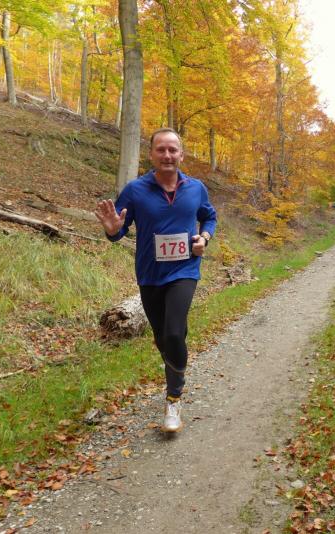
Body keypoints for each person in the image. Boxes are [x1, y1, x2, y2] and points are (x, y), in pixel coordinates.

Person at [95, 127, 217, 433]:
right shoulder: (135, 190)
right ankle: (175, 358)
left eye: (172, 149)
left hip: (185, 270)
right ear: (151, 154)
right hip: (150, 274)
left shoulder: (196, 188)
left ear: (181, 155)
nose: (167, 155)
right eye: (161, 149)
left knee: (173, 333)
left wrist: (204, 238)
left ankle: (174, 398)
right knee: (164, 338)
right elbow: (118, 231)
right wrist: (112, 230)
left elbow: (209, 217)